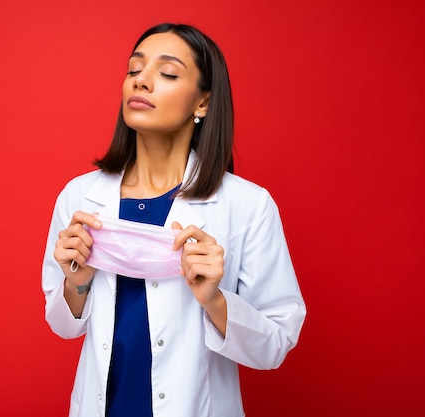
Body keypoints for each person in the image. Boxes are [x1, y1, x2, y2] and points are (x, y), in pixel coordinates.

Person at [42, 22, 306, 417]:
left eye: (166, 73)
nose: (141, 82)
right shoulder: (81, 196)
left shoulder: (248, 205)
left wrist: (213, 300)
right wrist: (76, 283)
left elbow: (275, 345)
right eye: (134, 70)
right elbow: (65, 326)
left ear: (202, 103)